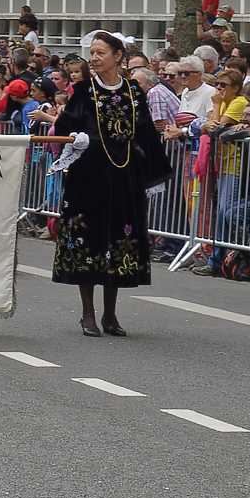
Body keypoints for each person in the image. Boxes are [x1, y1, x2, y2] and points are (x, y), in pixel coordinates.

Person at [49, 30, 167, 335]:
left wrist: (152, 171)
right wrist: (77, 138)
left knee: (118, 240)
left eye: (101, 52)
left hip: (123, 176)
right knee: (90, 240)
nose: (95, 58)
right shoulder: (84, 91)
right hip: (88, 177)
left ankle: (110, 314)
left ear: (118, 56)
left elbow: (146, 134)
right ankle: (88, 313)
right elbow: (64, 127)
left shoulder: (133, 91)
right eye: (93, 52)